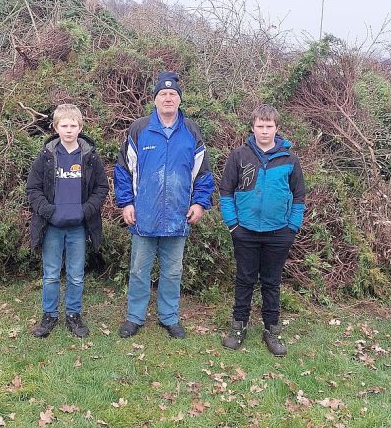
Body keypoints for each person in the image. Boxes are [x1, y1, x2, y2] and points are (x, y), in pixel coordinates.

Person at [114, 72, 215, 339]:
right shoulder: (139, 128)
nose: (168, 98)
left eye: (173, 94)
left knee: (172, 271)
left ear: (179, 100)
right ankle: (135, 317)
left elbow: (202, 173)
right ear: (155, 99)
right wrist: (126, 203)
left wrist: (200, 204)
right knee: (138, 270)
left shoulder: (191, 131)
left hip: (178, 215)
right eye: (163, 94)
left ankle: (169, 317)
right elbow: (124, 170)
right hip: (143, 215)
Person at [219, 104, 305, 356]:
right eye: (260, 126)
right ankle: (238, 326)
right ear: (253, 127)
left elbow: (299, 196)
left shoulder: (290, 159)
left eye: (269, 126)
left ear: (276, 129)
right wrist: (232, 223)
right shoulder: (240, 156)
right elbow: (225, 191)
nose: (264, 131)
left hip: (279, 232)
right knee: (244, 279)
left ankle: (272, 329)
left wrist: (292, 226)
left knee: (271, 282)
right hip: (244, 230)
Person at [26, 104, 109, 338]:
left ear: (80, 127)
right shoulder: (46, 157)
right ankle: (49, 315)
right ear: (56, 127)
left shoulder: (90, 158)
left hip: (78, 228)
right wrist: (49, 212)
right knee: (51, 274)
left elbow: (101, 188)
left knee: (75, 274)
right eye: (64, 125)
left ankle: (73, 314)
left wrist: (86, 210)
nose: (69, 130)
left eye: (73, 125)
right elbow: (33, 189)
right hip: (51, 226)